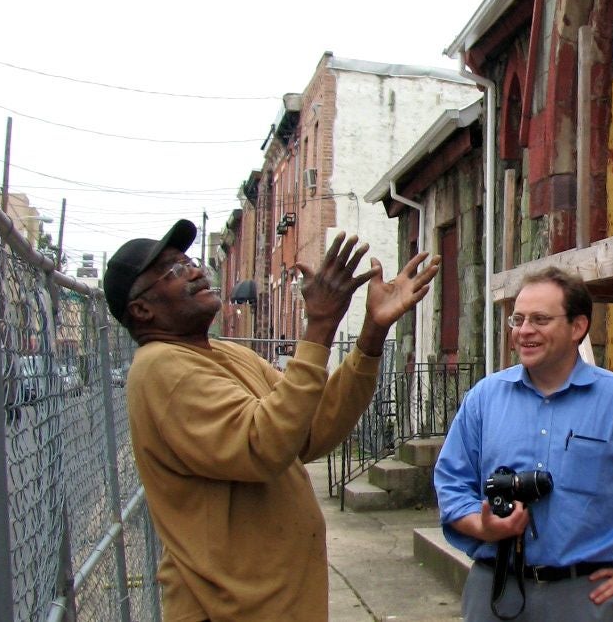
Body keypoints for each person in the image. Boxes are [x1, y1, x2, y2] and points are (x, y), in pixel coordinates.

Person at [104, 219, 438, 622]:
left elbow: (307, 430)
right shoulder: (162, 369)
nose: (195, 271)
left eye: (189, 261)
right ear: (141, 309)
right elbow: (264, 445)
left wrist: (371, 332)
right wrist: (319, 327)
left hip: (277, 605)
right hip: (229, 610)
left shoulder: (226, 354)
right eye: (173, 271)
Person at [434, 266, 613, 622]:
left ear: (578, 327)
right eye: (518, 319)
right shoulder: (484, 399)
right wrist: (482, 526)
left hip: (582, 597)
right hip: (493, 591)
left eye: (540, 319)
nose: (524, 331)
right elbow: (451, 484)